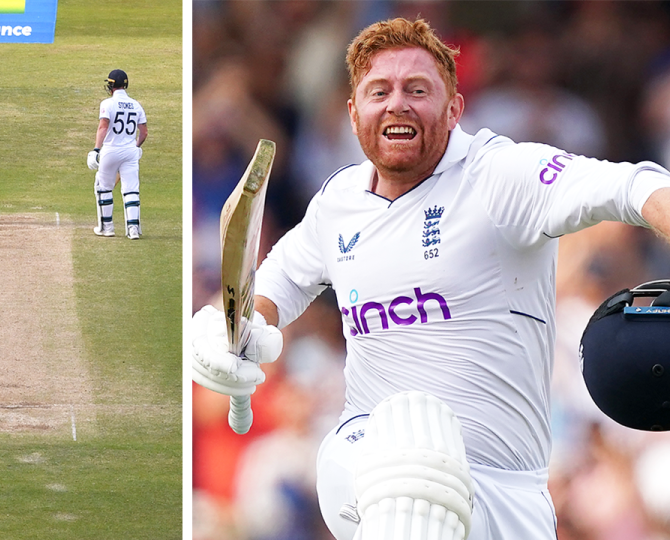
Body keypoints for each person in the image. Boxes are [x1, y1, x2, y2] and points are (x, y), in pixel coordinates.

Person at [191, 18, 670, 540]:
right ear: (354, 115)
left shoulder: (498, 175)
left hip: (503, 496)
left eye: (417, 90)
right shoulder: (338, 204)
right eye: (379, 91)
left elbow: (631, 186)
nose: (397, 104)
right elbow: (267, 291)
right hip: (368, 462)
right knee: (410, 458)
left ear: (454, 110)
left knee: (422, 473)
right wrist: (225, 334)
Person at [87, 69, 148, 239]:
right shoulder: (136, 105)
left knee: (103, 187)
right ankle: (133, 229)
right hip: (130, 151)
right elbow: (143, 132)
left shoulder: (107, 104)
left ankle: (107, 227)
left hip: (111, 150)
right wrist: (136, 147)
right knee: (131, 190)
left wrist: (96, 150)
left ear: (111, 85)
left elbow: (103, 127)